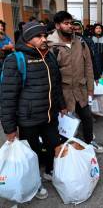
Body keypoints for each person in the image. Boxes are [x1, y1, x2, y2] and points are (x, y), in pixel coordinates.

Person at [0, 21, 67, 199]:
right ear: (28, 39)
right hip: (28, 118)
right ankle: (34, 182)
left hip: (49, 115)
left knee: (53, 144)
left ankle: (50, 171)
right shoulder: (15, 60)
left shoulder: (49, 56)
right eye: (39, 36)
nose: (44, 39)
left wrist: (62, 105)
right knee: (32, 154)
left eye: (44, 35)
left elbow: (56, 85)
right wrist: (10, 128)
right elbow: (7, 97)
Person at [47, 11, 103, 153]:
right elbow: (50, 75)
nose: (70, 26)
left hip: (81, 89)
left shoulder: (80, 42)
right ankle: (66, 152)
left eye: (71, 23)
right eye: (65, 23)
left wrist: (90, 89)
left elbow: (88, 66)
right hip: (63, 93)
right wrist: (57, 101)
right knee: (65, 124)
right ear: (57, 25)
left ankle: (89, 141)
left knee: (87, 118)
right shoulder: (50, 45)